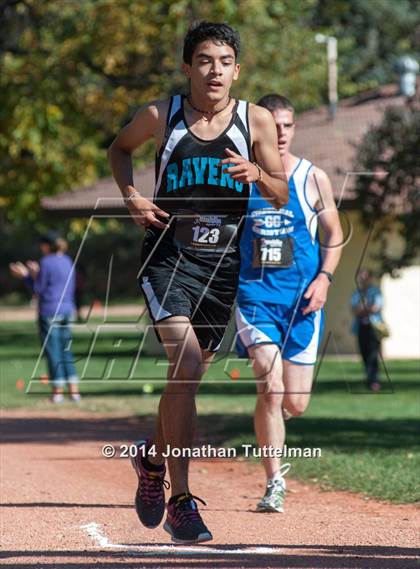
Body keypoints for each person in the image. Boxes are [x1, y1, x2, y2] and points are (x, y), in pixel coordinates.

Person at [108, 22, 288, 544]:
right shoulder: (161, 115)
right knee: (184, 364)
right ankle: (180, 501)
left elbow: (279, 191)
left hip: (221, 267)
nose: (215, 70)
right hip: (167, 256)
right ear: (188, 67)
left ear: (237, 69)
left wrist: (260, 176)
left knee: (185, 376)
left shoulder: (253, 119)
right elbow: (119, 150)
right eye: (205, 60)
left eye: (225, 61)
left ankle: (150, 457)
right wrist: (131, 196)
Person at [236, 94, 343, 513]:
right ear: (257, 129)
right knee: (270, 381)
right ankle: (273, 482)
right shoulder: (239, 178)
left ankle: (271, 420)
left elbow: (332, 235)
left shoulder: (312, 178)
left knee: (294, 401)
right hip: (255, 296)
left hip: (302, 302)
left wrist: (325, 279)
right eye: (273, 125)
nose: (281, 133)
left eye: (288, 125)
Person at [9, 231, 81, 403]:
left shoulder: (46, 262)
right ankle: (74, 391)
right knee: (65, 350)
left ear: (47, 245)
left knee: (53, 351)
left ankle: (57, 393)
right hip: (67, 309)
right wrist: (36, 274)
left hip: (49, 310)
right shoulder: (67, 260)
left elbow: (38, 290)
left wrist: (25, 275)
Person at [351, 268, 385, 392]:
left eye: (365, 277)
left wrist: (362, 308)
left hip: (373, 327)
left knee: (373, 354)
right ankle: (369, 378)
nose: (363, 280)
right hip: (361, 327)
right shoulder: (356, 293)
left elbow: (376, 307)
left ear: (370, 278)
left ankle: (374, 380)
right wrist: (365, 308)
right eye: (361, 277)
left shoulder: (376, 292)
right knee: (364, 353)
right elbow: (354, 310)